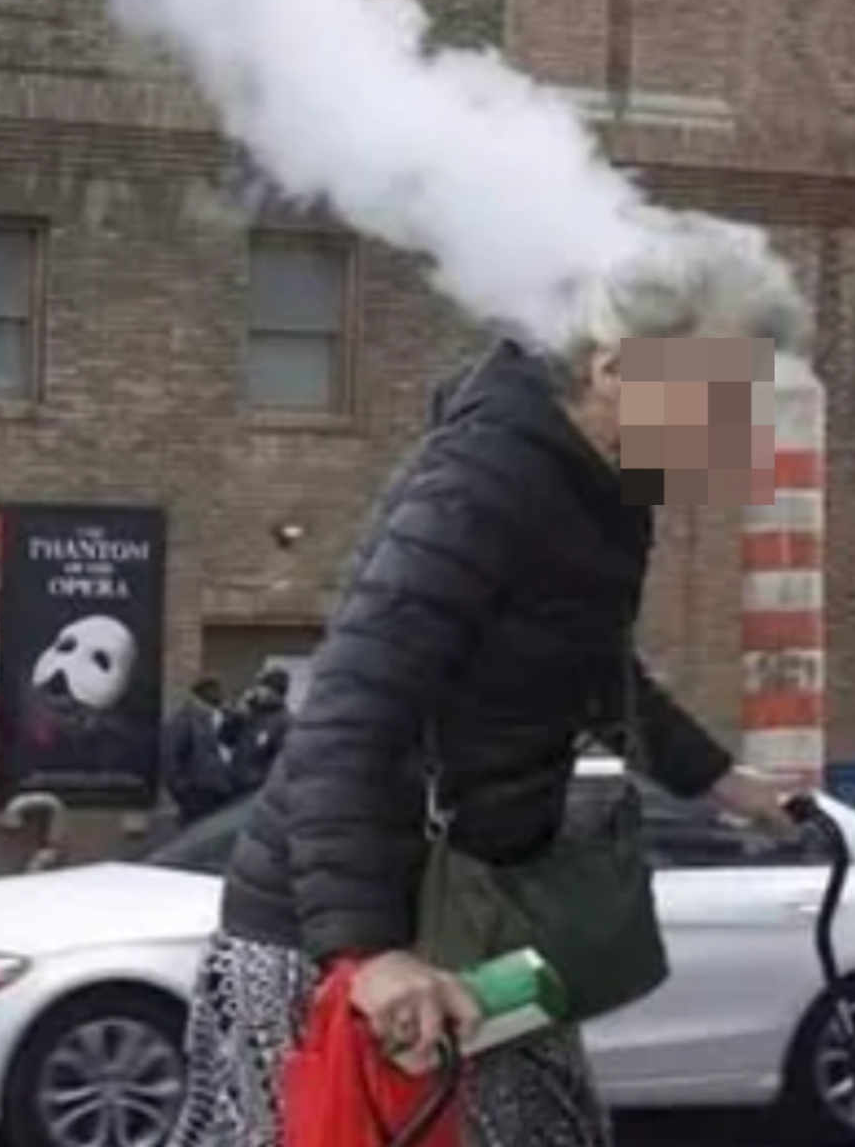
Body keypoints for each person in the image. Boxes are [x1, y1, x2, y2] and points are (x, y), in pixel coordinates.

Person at [170, 221, 808, 1147]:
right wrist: (368, 951)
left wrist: (719, 781)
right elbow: (347, 713)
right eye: (718, 398)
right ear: (615, 369)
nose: (734, 433)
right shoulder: (486, 482)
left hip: (478, 920)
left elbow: (592, 666)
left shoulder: (608, 491)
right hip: (351, 935)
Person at [165, 675, 238, 826]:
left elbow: (229, 743)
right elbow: (171, 757)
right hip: (197, 794)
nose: (221, 695)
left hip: (220, 791)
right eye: (215, 691)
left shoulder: (220, 715)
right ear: (203, 693)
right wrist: (183, 791)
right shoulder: (184, 718)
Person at [222, 664, 292, 798]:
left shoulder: (284, 721)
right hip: (235, 787)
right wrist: (233, 718)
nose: (255, 690)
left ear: (274, 691)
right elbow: (226, 739)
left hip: (259, 792)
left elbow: (284, 761)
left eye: (261, 687)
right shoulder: (250, 712)